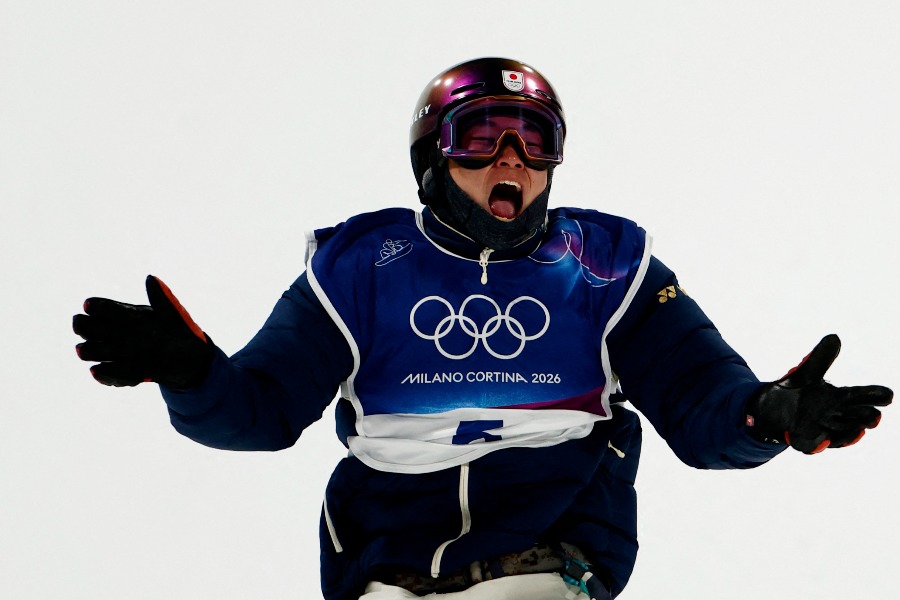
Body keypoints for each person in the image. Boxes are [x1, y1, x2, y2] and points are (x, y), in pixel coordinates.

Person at [73, 57, 893, 600]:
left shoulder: (604, 267)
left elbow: (705, 406)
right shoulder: (362, 267)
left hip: (540, 568)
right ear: (432, 158)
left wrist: (769, 417)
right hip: (387, 578)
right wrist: (189, 373)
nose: (511, 161)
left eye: (534, 142)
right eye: (482, 139)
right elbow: (257, 413)